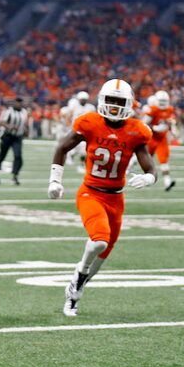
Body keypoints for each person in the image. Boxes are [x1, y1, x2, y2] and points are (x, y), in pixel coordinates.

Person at [48, 78, 156, 317]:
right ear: (102, 101)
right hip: (90, 193)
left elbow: (149, 166)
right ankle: (78, 276)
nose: (115, 107)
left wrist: (149, 178)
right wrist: (55, 179)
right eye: (111, 101)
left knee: (105, 252)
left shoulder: (137, 130)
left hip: (116, 198)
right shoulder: (89, 123)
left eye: (120, 102)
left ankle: (77, 288)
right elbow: (61, 147)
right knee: (99, 241)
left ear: (128, 104)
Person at [143, 90, 177, 191]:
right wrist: (155, 128)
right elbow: (143, 124)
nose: (162, 103)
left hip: (162, 139)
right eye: (161, 101)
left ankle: (167, 182)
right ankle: (146, 179)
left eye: (164, 101)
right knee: (147, 159)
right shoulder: (153, 109)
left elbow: (170, 121)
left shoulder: (170, 109)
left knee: (164, 161)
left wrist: (172, 129)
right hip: (152, 138)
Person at [0, 97, 28, 185]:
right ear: (14, 103)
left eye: (20, 102)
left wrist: (25, 130)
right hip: (7, 136)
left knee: (18, 156)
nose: (19, 104)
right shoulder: (8, 111)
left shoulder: (24, 112)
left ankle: (15, 176)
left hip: (18, 137)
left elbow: (24, 123)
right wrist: (10, 127)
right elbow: (1, 122)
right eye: (17, 102)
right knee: (2, 155)